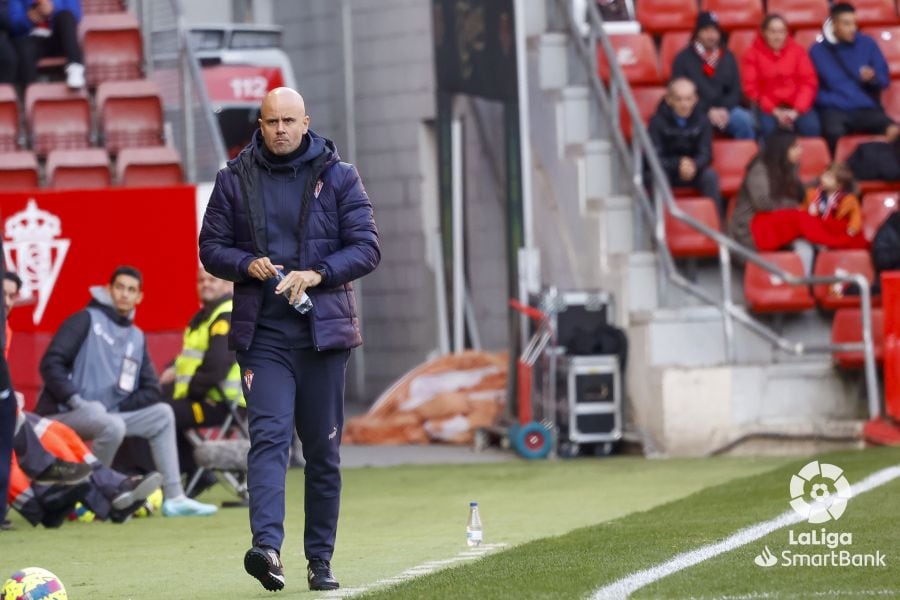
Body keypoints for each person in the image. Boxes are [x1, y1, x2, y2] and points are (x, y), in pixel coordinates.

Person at [199, 87, 380, 592]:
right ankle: (267, 549)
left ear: (306, 122)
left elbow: (367, 248)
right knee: (270, 440)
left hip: (323, 336)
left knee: (322, 454)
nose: (279, 130)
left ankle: (319, 561)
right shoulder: (233, 179)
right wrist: (243, 263)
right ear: (259, 125)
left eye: (288, 121)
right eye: (270, 122)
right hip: (264, 335)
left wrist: (318, 273)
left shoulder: (340, 177)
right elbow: (210, 246)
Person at [35, 265, 217, 517]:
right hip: (64, 414)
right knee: (110, 423)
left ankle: (174, 498)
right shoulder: (84, 319)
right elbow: (50, 363)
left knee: (162, 414)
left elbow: (151, 389)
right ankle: (89, 496)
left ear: (139, 297)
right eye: (119, 287)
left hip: (108, 415)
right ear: (108, 290)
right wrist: (77, 401)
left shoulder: (136, 336)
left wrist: (118, 406)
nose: (124, 294)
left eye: (131, 290)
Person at [159, 267, 243, 494]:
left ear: (227, 286)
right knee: (157, 408)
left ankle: (184, 474)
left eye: (212, 279)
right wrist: (172, 370)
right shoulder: (205, 317)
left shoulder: (226, 314)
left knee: (160, 414)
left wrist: (189, 392)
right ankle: (197, 472)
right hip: (206, 398)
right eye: (201, 280)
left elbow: (215, 366)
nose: (205, 284)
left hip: (222, 403)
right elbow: (190, 358)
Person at [810, 2, 898, 153]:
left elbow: (884, 80)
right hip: (834, 109)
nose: (852, 28)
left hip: (864, 107)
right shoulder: (817, 51)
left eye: (854, 23)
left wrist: (873, 78)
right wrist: (832, 100)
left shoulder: (868, 43)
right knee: (832, 132)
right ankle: (838, 171)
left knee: (893, 130)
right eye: (846, 23)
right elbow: (812, 88)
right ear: (834, 24)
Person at [728, 131, 817, 272]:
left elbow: (799, 193)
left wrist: (820, 183)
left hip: (773, 223)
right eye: (795, 147)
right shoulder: (759, 170)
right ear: (782, 149)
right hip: (749, 230)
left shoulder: (789, 166)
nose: (801, 151)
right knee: (799, 218)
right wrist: (793, 206)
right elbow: (763, 204)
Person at [671, 11, 755, 140]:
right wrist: (708, 111)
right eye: (706, 30)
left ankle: (746, 159)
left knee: (745, 120)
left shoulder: (728, 56)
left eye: (715, 31)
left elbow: (736, 90)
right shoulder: (683, 58)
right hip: (695, 111)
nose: (711, 36)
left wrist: (724, 110)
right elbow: (678, 92)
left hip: (727, 110)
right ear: (697, 33)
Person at [648, 77, 723, 215]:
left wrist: (694, 164)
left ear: (695, 99)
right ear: (669, 99)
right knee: (658, 177)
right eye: (679, 99)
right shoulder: (656, 122)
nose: (684, 104)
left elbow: (706, 154)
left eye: (688, 99)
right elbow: (654, 157)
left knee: (710, 176)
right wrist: (678, 164)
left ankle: (715, 224)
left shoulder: (703, 120)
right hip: (668, 170)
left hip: (693, 170)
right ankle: (660, 225)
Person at [741, 14, 820, 138]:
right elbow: (751, 89)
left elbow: (808, 82)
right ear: (763, 32)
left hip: (796, 106)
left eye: (782, 32)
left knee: (812, 127)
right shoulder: (752, 54)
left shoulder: (798, 51)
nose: (778, 37)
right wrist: (775, 111)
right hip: (767, 108)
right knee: (769, 130)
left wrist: (797, 110)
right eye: (773, 32)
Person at [7, 0, 84, 88]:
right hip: (32, 39)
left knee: (65, 16)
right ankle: (29, 92)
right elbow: (13, 26)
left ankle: (75, 68)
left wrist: (53, 9)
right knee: (24, 48)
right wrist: (28, 19)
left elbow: (75, 15)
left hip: (57, 38)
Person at [800, 163, 866, 249]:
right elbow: (802, 211)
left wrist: (853, 228)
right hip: (817, 231)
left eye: (829, 177)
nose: (823, 179)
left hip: (835, 233)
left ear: (839, 185)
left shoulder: (849, 199)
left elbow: (856, 215)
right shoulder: (812, 194)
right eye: (824, 174)